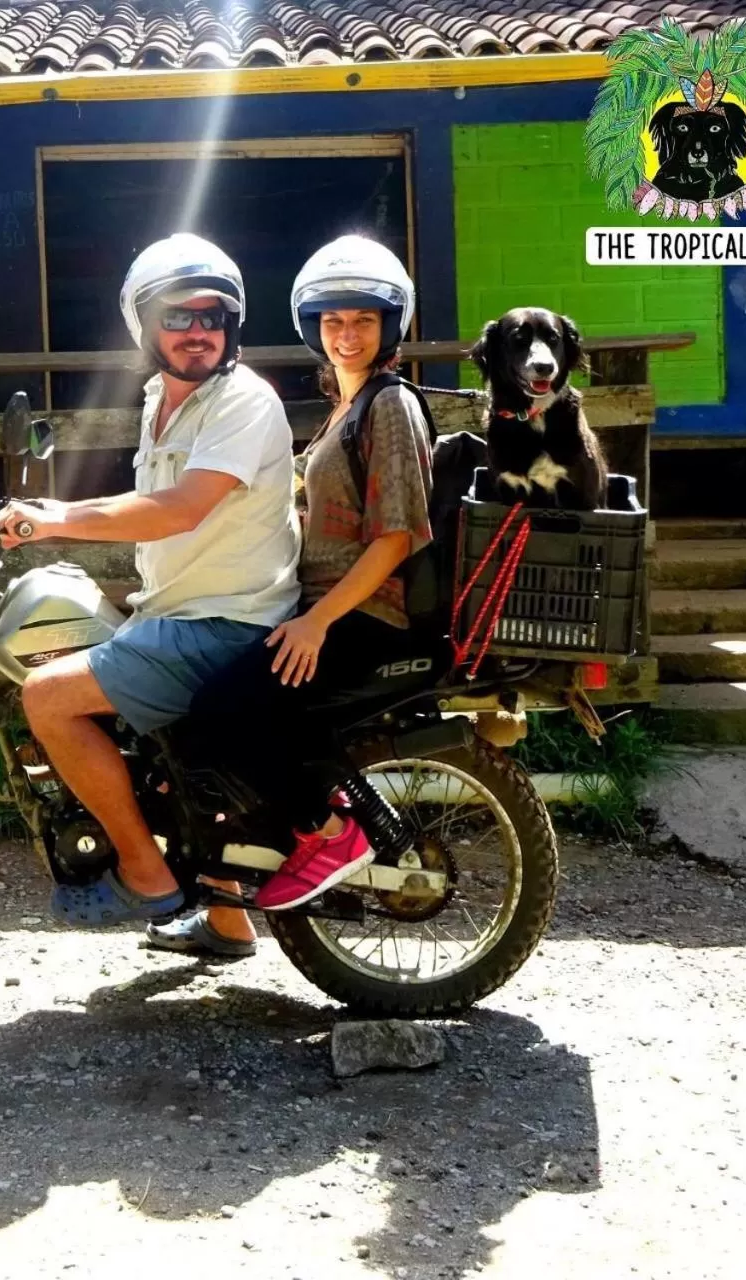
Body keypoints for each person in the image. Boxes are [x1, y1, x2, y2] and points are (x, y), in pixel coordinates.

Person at [0, 233, 302, 928]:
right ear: (145, 326)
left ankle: (146, 875)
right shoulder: (160, 398)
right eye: (178, 317)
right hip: (179, 609)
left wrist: (54, 519)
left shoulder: (242, 401)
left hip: (226, 621)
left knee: (47, 699)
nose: (198, 332)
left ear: (232, 325)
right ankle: (225, 922)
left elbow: (179, 509)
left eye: (212, 317)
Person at [147, 234, 436, 956]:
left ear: (390, 326)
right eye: (334, 322)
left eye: (364, 321)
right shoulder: (347, 406)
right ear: (314, 328)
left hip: (367, 616)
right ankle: (223, 911)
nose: (347, 334)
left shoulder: (389, 406)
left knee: (218, 709)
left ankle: (330, 833)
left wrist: (316, 623)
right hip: (330, 609)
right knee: (206, 712)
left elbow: (396, 537)